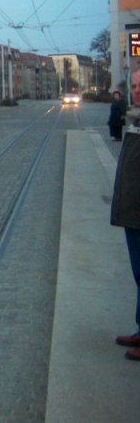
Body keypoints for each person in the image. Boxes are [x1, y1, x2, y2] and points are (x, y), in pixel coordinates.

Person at [112, 68, 140, 361]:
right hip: (132, 212)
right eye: (133, 85)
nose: (136, 89)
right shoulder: (136, 116)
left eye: (139, 85)